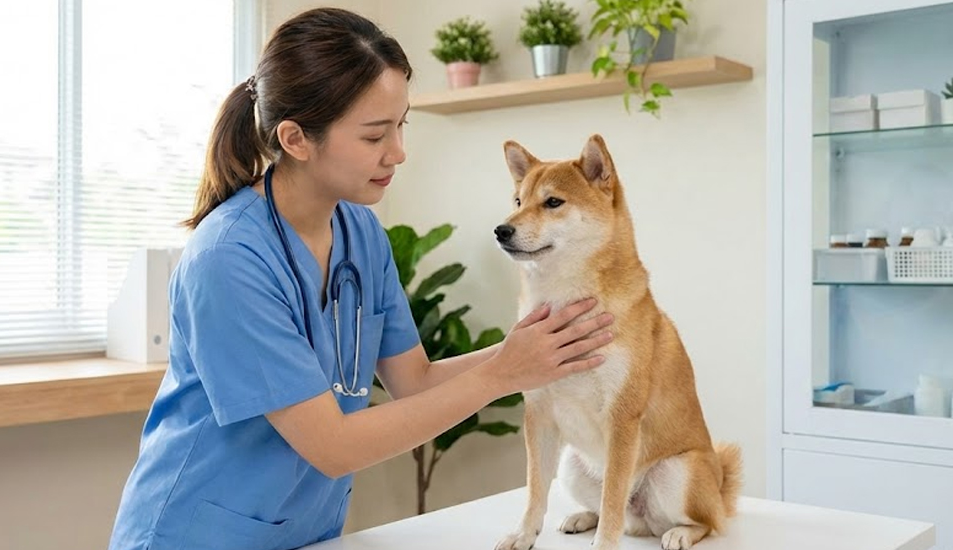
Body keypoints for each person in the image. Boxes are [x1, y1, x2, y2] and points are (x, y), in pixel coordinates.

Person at [106, 7, 614, 550]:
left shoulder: (360, 233)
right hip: (196, 536)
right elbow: (333, 446)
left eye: (401, 125)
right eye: (375, 136)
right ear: (296, 139)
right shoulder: (228, 258)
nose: (398, 152)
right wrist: (503, 374)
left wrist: (531, 349)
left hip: (304, 533)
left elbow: (414, 381)